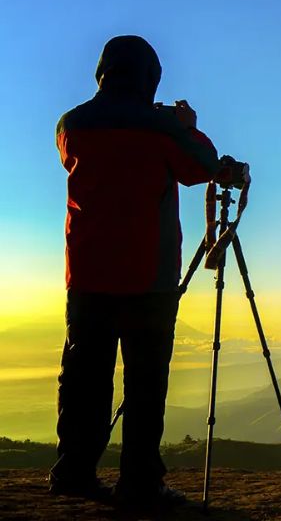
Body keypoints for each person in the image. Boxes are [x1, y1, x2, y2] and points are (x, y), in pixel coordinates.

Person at [49, 35, 225, 506]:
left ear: (102, 72)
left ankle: (73, 474)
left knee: (83, 378)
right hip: (148, 277)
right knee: (146, 383)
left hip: (86, 274)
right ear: (151, 78)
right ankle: (140, 483)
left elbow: (73, 161)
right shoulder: (163, 129)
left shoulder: (72, 124)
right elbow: (200, 167)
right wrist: (187, 125)